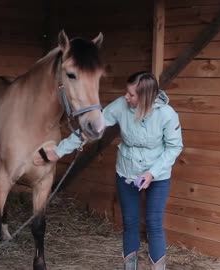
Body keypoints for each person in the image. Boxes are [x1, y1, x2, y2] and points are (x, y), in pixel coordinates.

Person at [35, 71, 183, 270]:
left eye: (131, 95)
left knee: (154, 224)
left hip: (157, 176)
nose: (126, 97)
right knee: (130, 223)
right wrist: (59, 151)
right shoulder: (121, 106)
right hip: (126, 172)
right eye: (126, 92)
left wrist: (151, 173)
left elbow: (174, 147)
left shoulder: (167, 115)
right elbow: (92, 128)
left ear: (145, 97)